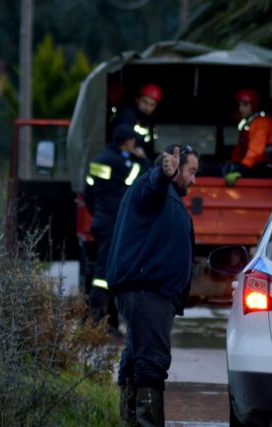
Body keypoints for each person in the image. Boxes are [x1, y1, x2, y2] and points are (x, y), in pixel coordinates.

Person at [106, 144, 199, 426]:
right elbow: (152, 187)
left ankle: (130, 418)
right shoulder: (154, 190)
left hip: (150, 292)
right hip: (147, 291)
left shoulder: (169, 197)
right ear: (173, 167)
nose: (194, 180)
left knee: (138, 357)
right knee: (152, 361)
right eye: (191, 171)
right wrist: (162, 174)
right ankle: (145, 421)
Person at [83, 123, 149, 334]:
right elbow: (138, 179)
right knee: (105, 271)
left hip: (101, 218)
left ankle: (105, 321)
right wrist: (141, 159)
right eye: (132, 142)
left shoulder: (100, 159)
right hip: (113, 222)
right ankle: (97, 320)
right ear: (127, 142)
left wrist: (98, 212)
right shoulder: (123, 162)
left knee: (103, 267)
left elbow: (88, 192)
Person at [223, 88, 272, 186]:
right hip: (251, 166)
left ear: (253, 105)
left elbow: (256, 151)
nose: (240, 109)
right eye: (239, 105)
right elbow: (239, 150)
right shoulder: (247, 124)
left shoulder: (261, 123)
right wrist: (233, 164)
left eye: (245, 105)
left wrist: (241, 169)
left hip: (264, 171)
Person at [114, 83, 163, 159]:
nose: (147, 107)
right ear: (137, 100)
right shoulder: (128, 114)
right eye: (145, 102)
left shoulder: (150, 118)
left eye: (152, 105)